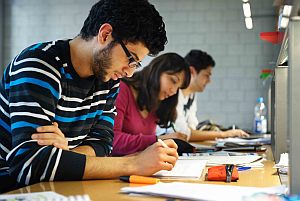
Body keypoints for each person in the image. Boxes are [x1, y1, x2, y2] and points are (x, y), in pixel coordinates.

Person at [0, 0, 179, 193]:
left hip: (61, 186)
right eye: (131, 59)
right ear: (105, 34)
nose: (129, 73)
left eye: (136, 64)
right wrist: (134, 164)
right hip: (15, 190)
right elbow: (31, 166)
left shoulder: (108, 79)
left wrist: (63, 154)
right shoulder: (39, 65)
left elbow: (103, 144)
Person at [112, 53, 191, 156]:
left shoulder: (155, 101)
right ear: (157, 71)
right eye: (173, 81)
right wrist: (158, 140)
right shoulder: (122, 89)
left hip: (138, 168)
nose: (174, 91)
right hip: (116, 168)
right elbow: (113, 140)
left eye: (178, 88)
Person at [166, 49, 249, 141]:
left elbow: (191, 127)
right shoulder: (173, 93)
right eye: (206, 75)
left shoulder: (192, 95)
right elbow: (183, 133)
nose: (209, 81)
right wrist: (224, 134)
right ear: (192, 71)